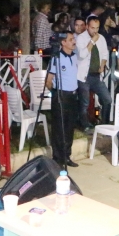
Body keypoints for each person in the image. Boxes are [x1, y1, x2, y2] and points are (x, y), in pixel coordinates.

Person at [45, 32, 80, 167]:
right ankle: (58, 158)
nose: (73, 41)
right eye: (71, 40)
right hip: (61, 95)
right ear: (63, 43)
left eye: (73, 39)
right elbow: (48, 80)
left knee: (70, 127)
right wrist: (55, 91)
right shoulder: (57, 58)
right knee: (59, 129)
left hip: (73, 95)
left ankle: (67, 156)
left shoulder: (74, 56)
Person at [76, 17, 110, 132]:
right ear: (87, 26)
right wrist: (92, 41)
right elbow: (82, 55)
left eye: (97, 28)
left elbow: (105, 54)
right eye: (92, 28)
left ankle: (104, 124)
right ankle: (85, 125)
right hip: (84, 76)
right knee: (84, 103)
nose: (95, 31)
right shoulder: (80, 38)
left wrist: (102, 65)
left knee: (107, 99)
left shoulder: (102, 38)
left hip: (96, 75)